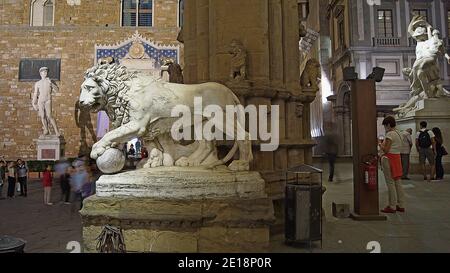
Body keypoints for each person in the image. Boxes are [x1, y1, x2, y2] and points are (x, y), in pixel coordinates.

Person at [379, 116, 405, 214]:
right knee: (398, 182)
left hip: (388, 159)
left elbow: (386, 149)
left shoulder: (390, 134)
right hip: (397, 158)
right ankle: (401, 205)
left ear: (388, 124)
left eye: (385, 126)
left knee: (390, 183)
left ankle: (392, 206)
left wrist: (380, 144)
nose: (385, 128)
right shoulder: (399, 133)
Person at [32, 67, 60, 136]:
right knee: (42, 116)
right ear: (40, 73)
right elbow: (35, 94)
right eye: (43, 72)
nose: (45, 73)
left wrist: (51, 83)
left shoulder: (50, 81)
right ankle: (46, 129)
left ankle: (56, 131)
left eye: (46, 72)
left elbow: (57, 90)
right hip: (40, 101)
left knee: (49, 115)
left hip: (48, 100)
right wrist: (33, 103)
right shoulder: (38, 83)